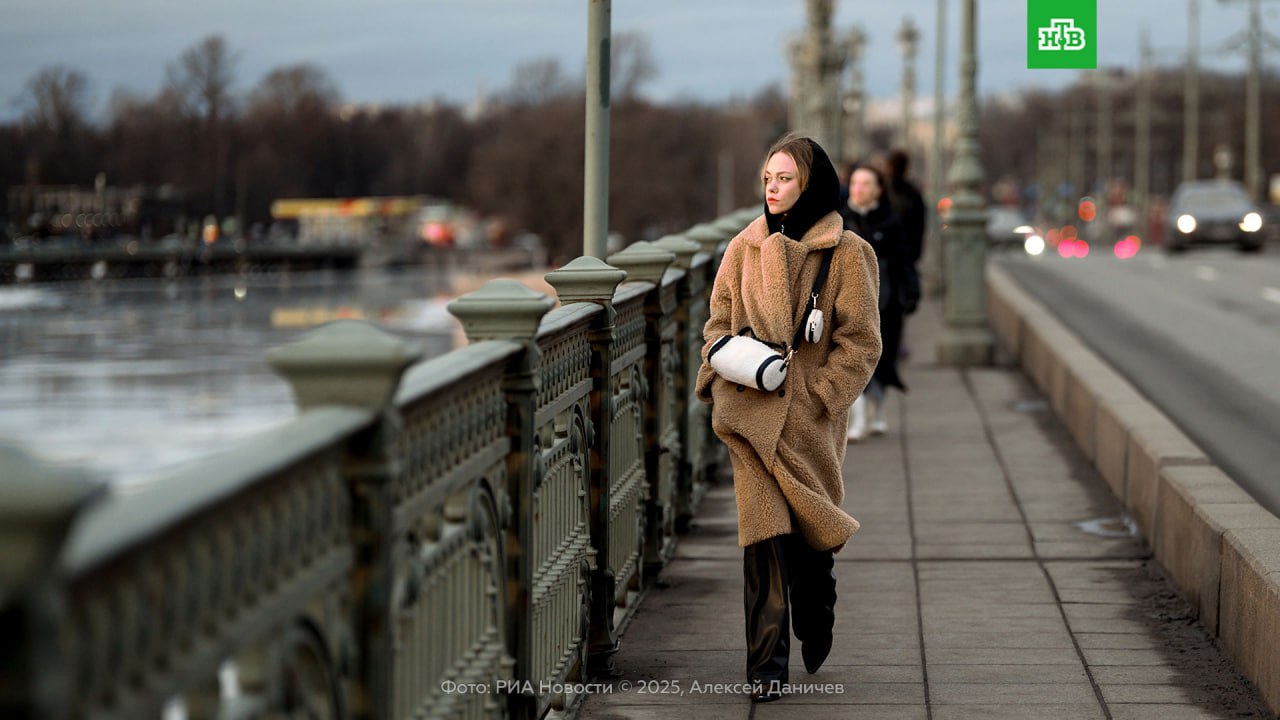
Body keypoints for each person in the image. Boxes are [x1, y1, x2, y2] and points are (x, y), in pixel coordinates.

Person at [695, 133, 882, 703]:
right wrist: (725, 365)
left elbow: (862, 342)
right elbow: (716, 325)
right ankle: (767, 666)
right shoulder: (742, 248)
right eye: (768, 179)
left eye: (785, 179)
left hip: (808, 423)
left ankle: (817, 608)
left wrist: (821, 395)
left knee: (807, 542)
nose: (773, 190)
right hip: (749, 416)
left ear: (810, 183)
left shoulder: (847, 252)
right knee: (763, 539)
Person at [840, 162, 910, 440]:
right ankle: (857, 419)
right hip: (847, 302)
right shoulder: (840, 219)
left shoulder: (891, 222)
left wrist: (909, 293)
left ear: (878, 189)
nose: (859, 189)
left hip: (885, 302)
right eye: (855, 183)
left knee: (882, 359)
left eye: (866, 183)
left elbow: (903, 262)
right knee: (850, 358)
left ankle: (877, 411)